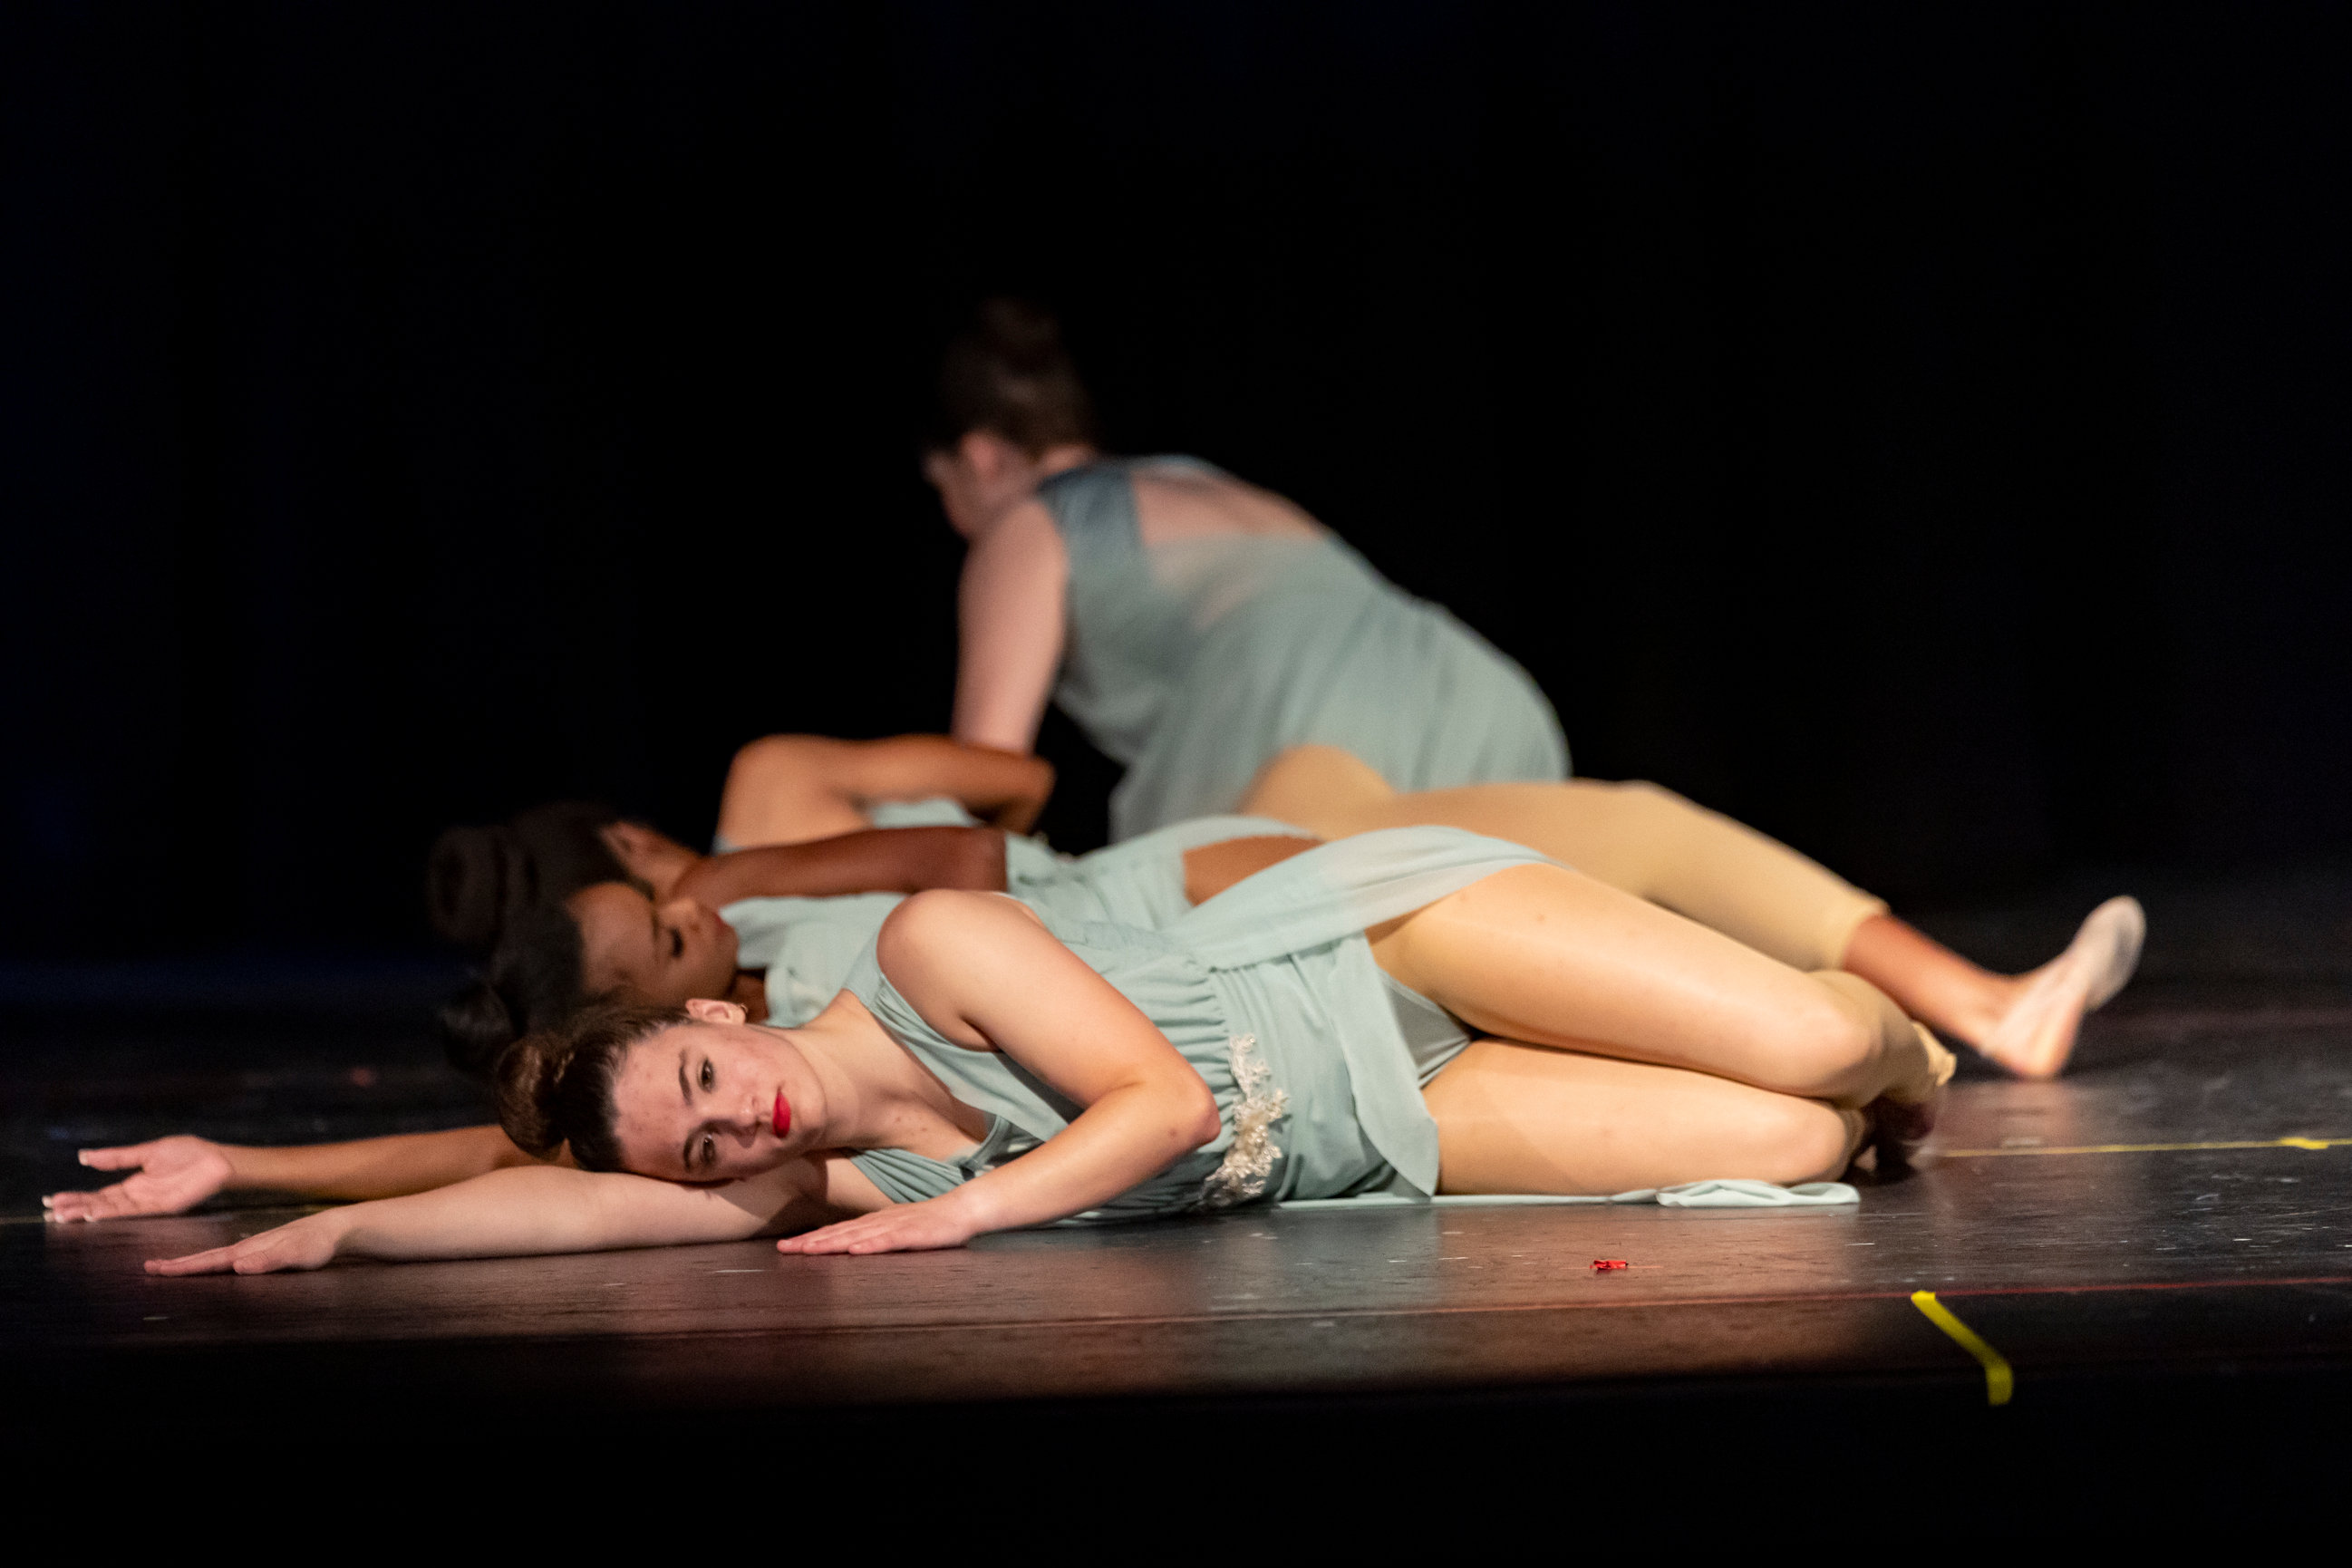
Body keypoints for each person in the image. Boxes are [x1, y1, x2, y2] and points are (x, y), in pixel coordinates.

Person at [140, 826, 1955, 1275]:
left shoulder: (923, 954)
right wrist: (306, 1212)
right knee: (1797, 1144)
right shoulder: (827, 1178)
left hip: (1353, 946)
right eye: (704, 1150)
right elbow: (546, 1200)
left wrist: (964, 1225)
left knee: (1828, 1043)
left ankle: (1925, 1037)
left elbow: (1153, 1102)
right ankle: (1865, 1084)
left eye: (705, 1079)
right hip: (1384, 1114)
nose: (731, 1121)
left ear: (713, 1018)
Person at [926, 300, 1568, 840]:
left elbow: (987, 773)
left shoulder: (1027, 525)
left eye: (942, 492)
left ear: (980, 459)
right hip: (1482, 692)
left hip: (1301, 712)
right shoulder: (1195, 480)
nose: (954, 522)